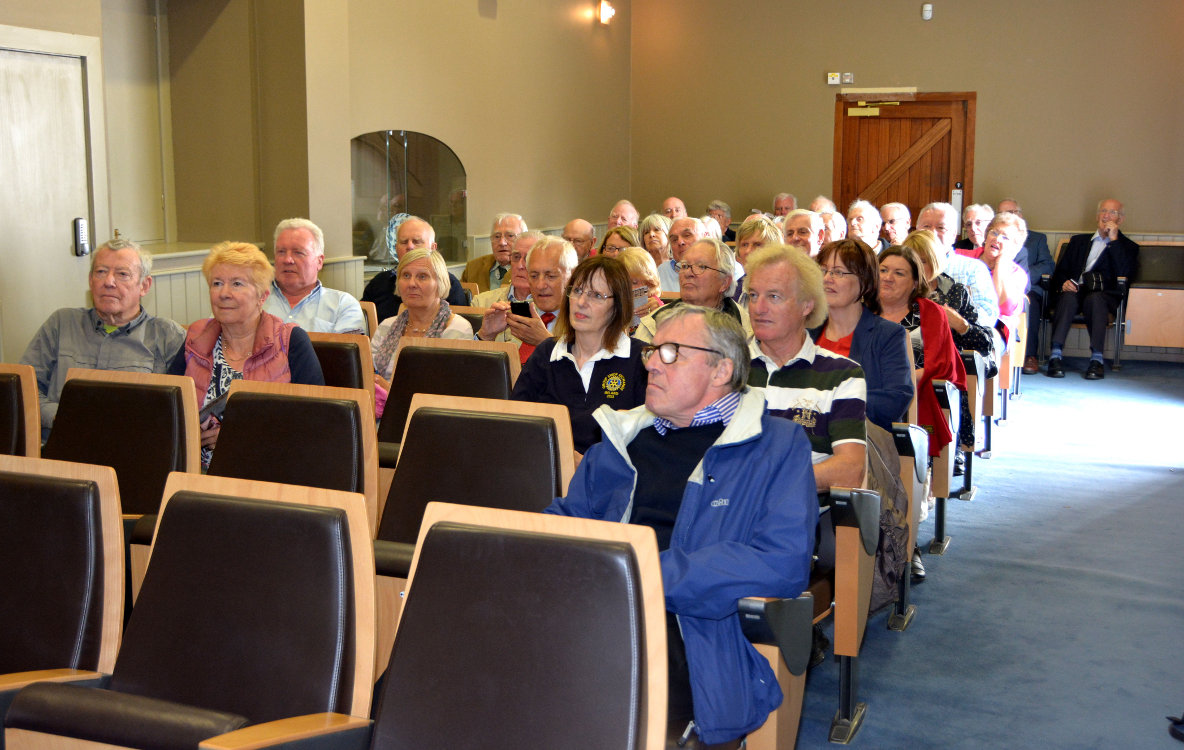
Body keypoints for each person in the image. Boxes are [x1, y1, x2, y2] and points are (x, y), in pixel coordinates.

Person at [545, 305, 818, 747]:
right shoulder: (621, 436)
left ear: (721, 370)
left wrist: (642, 575)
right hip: (592, 611)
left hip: (690, 631)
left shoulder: (776, 446)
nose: (651, 363)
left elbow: (781, 563)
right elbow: (570, 521)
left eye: (671, 352)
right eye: (652, 350)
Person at [169, 242, 324, 465]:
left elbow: (315, 421)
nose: (224, 293)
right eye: (217, 283)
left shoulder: (290, 341)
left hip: (268, 470)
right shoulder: (196, 338)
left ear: (262, 296)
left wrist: (240, 437)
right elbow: (167, 413)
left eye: (237, 284)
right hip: (194, 472)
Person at [22, 238, 185, 438]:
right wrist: (60, 415)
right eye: (100, 272)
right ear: (91, 281)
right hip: (59, 443)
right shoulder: (62, 323)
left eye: (122, 274)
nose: (108, 282)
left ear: (144, 285)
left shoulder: (168, 336)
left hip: (133, 446)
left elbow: (184, 407)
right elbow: (24, 388)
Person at [745, 244, 866, 490]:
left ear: (807, 306)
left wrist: (767, 484)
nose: (759, 308)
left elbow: (850, 470)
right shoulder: (727, 368)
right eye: (753, 295)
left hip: (801, 509)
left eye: (774, 296)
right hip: (729, 506)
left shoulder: (842, 375)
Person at [511, 255, 648, 453]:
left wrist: (591, 464)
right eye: (576, 291)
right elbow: (516, 425)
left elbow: (649, 444)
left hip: (612, 470)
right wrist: (562, 460)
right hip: (548, 467)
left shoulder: (642, 360)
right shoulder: (547, 354)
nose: (581, 302)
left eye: (596, 295)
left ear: (619, 305)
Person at [902, 229, 993, 471]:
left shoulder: (955, 292)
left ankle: (942, 449)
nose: (917, 267)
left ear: (935, 261)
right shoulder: (897, 293)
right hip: (906, 360)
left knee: (933, 382)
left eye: (923, 260)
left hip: (944, 366)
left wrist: (961, 325)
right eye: (912, 261)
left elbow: (985, 343)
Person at [810, 239, 912, 431]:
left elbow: (895, 401)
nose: (827, 278)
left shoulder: (887, 335)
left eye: (838, 272)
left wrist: (832, 400)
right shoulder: (805, 332)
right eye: (823, 270)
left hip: (858, 436)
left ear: (864, 281)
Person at [876, 244, 965, 457]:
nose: (888, 278)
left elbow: (938, 365)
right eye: (883, 270)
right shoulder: (862, 310)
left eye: (899, 273)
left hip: (916, 393)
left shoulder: (931, 313)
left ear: (915, 282)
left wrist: (896, 383)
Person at [1046, 198, 1139, 380]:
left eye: (1112, 212)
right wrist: (1063, 283)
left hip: (1103, 294)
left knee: (1095, 300)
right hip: (1076, 290)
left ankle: (1097, 359)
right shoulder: (1078, 242)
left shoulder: (1128, 247)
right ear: (1097, 216)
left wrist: (1113, 241)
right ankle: (1055, 356)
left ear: (1120, 220)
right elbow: (1060, 272)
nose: (1107, 216)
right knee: (1067, 297)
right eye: (1103, 211)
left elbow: (1124, 274)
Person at [370, 248, 473, 384]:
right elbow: (368, 375)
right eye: (406, 275)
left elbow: (450, 388)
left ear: (440, 283)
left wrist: (389, 390)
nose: (411, 284)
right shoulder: (386, 326)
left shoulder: (458, 329)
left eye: (422, 276)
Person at [477, 236, 577, 363]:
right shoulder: (515, 315)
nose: (540, 285)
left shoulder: (586, 321)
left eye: (551, 276)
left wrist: (546, 342)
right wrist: (486, 335)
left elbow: (588, 371)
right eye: (534, 276)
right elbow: (474, 370)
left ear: (573, 276)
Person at [635, 237, 749, 343]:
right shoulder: (653, 324)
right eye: (685, 266)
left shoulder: (747, 328)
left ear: (724, 282)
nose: (688, 273)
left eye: (701, 267)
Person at [264, 218, 365, 334]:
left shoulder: (343, 305)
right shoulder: (253, 300)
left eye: (298, 253)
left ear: (319, 261)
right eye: (281, 252)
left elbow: (350, 346)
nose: (287, 260)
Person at [362, 216, 469, 323]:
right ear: (396, 248)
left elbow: (458, 326)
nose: (410, 247)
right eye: (404, 242)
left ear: (433, 248)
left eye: (417, 241)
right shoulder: (379, 283)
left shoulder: (450, 285)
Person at [997, 198, 1053, 374]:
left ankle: (1029, 355)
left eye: (1010, 213)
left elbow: (1047, 265)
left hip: (1029, 288)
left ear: (1020, 215)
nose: (1006, 217)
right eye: (1001, 213)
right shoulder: (994, 237)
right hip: (998, 287)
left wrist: (1023, 275)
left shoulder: (1037, 239)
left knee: (1030, 304)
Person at [472, 231, 542, 308]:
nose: (520, 266)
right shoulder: (481, 303)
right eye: (516, 257)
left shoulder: (551, 306)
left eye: (528, 259)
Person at [461, 213, 526, 292]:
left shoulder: (529, 270)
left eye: (510, 236)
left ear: (524, 240)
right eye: (497, 236)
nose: (502, 243)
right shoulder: (473, 268)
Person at [733, 215, 782, 302]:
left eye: (757, 244)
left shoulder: (783, 289)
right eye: (744, 244)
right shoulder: (735, 289)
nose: (748, 251)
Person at [617, 247, 664, 333]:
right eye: (633, 283)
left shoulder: (655, 304)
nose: (641, 287)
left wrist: (656, 314)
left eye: (634, 283)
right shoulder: (613, 303)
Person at [659, 216, 706, 293]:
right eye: (674, 239)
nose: (680, 242)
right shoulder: (662, 271)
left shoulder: (717, 268)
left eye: (687, 235)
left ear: (704, 237)